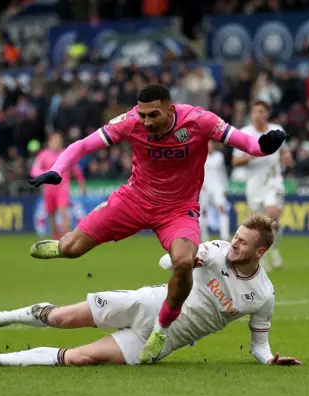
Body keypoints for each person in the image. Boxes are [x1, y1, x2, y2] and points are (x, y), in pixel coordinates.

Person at [27, 84, 289, 364]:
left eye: (153, 115)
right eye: (142, 115)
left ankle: (161, 330)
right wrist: (57, 169)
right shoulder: (130, 122)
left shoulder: (199, 120)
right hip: (134, 200)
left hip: (178, 211)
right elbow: (83, 145)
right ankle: (61, 247)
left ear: (171, 109)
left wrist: (263, 146)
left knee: (184, 261)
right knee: (72, 248)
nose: (146, 122)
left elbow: (243, 142)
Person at [0, 215, 302, 368]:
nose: (235, 243)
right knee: (62, 318)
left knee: (81, 358)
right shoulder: (214, 250)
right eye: (237, 236)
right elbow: (164, 263)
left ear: (260, 253)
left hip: (160, 339)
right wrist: (185, 262)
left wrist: (271, 359)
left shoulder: (263, 295)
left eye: (243, 242)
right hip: (145, 304)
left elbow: (259, 346)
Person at [233, 100, 286, 271]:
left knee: (273, 215)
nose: (258, 114)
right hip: (254, 182)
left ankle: (275, 250)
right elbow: (235, 161)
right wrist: (251, 155)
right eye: (255, 111)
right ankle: (260, 256)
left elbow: (284, 151)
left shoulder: (276, 130)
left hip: (273, 179)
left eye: (262, 111)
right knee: (257, 223)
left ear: (267, 113)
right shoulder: (244, 133)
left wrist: (287, 157)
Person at [30, 133, 87, 239]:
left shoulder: (66, 153)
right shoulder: (42, 155)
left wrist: (82, 185)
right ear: (49, 142)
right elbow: (34, 170)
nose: (57, 143)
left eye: (59, 140)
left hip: (62, 189)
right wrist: (47, 173)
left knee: (63, 211)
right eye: (54, 140)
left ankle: (67, 237)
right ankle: (56, 238)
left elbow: (77, 171)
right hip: (48, 190)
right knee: (51, 214)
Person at [199, 141, 230, 242]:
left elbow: (223, 172)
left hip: (218, 187)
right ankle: (204, 236)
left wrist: (225, 187)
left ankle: (225, 236)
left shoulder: (219, 156)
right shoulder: (201, 156)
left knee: (222, 210)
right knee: (203, 212)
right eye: (207, 145)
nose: (209, 147)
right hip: (205, 188)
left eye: (210, 145)